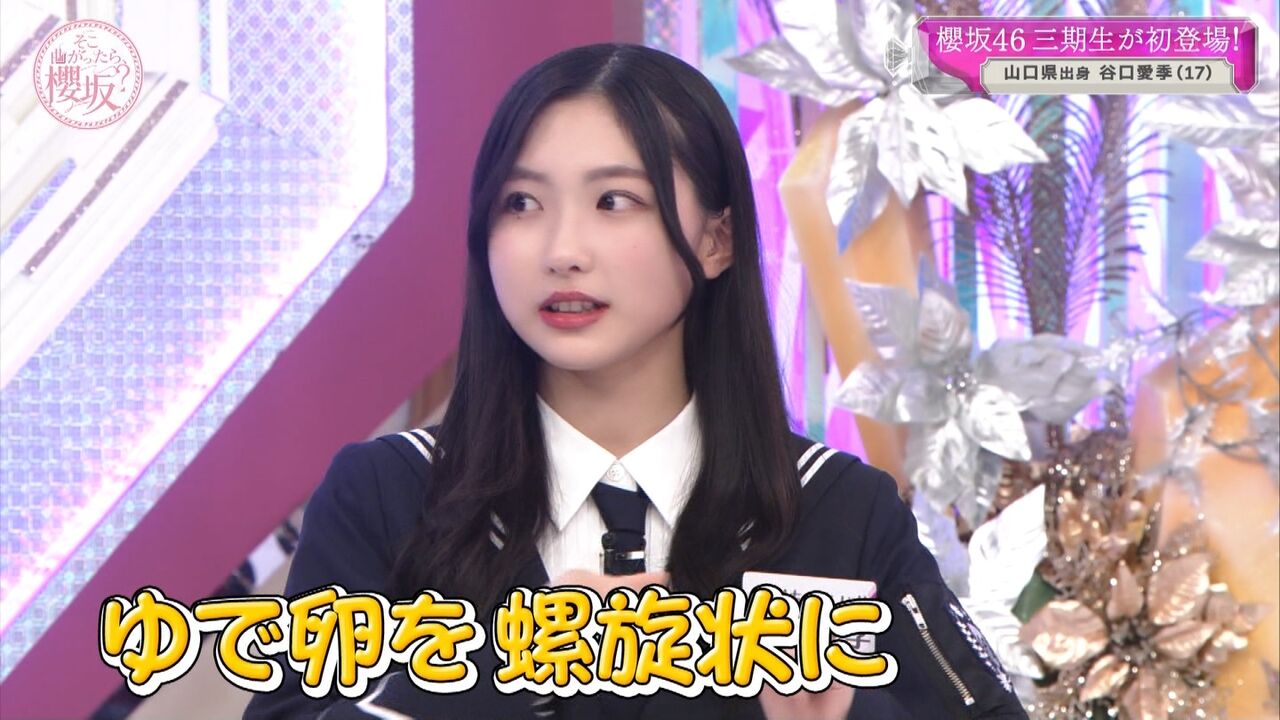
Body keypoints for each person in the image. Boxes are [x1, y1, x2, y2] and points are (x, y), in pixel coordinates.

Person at [243, 42, 1028, 720]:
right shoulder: (388, 494)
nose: (562, 250)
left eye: (614, 201)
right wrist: (502, 668)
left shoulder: (835, 510)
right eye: (522, 203)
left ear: (717, 239)